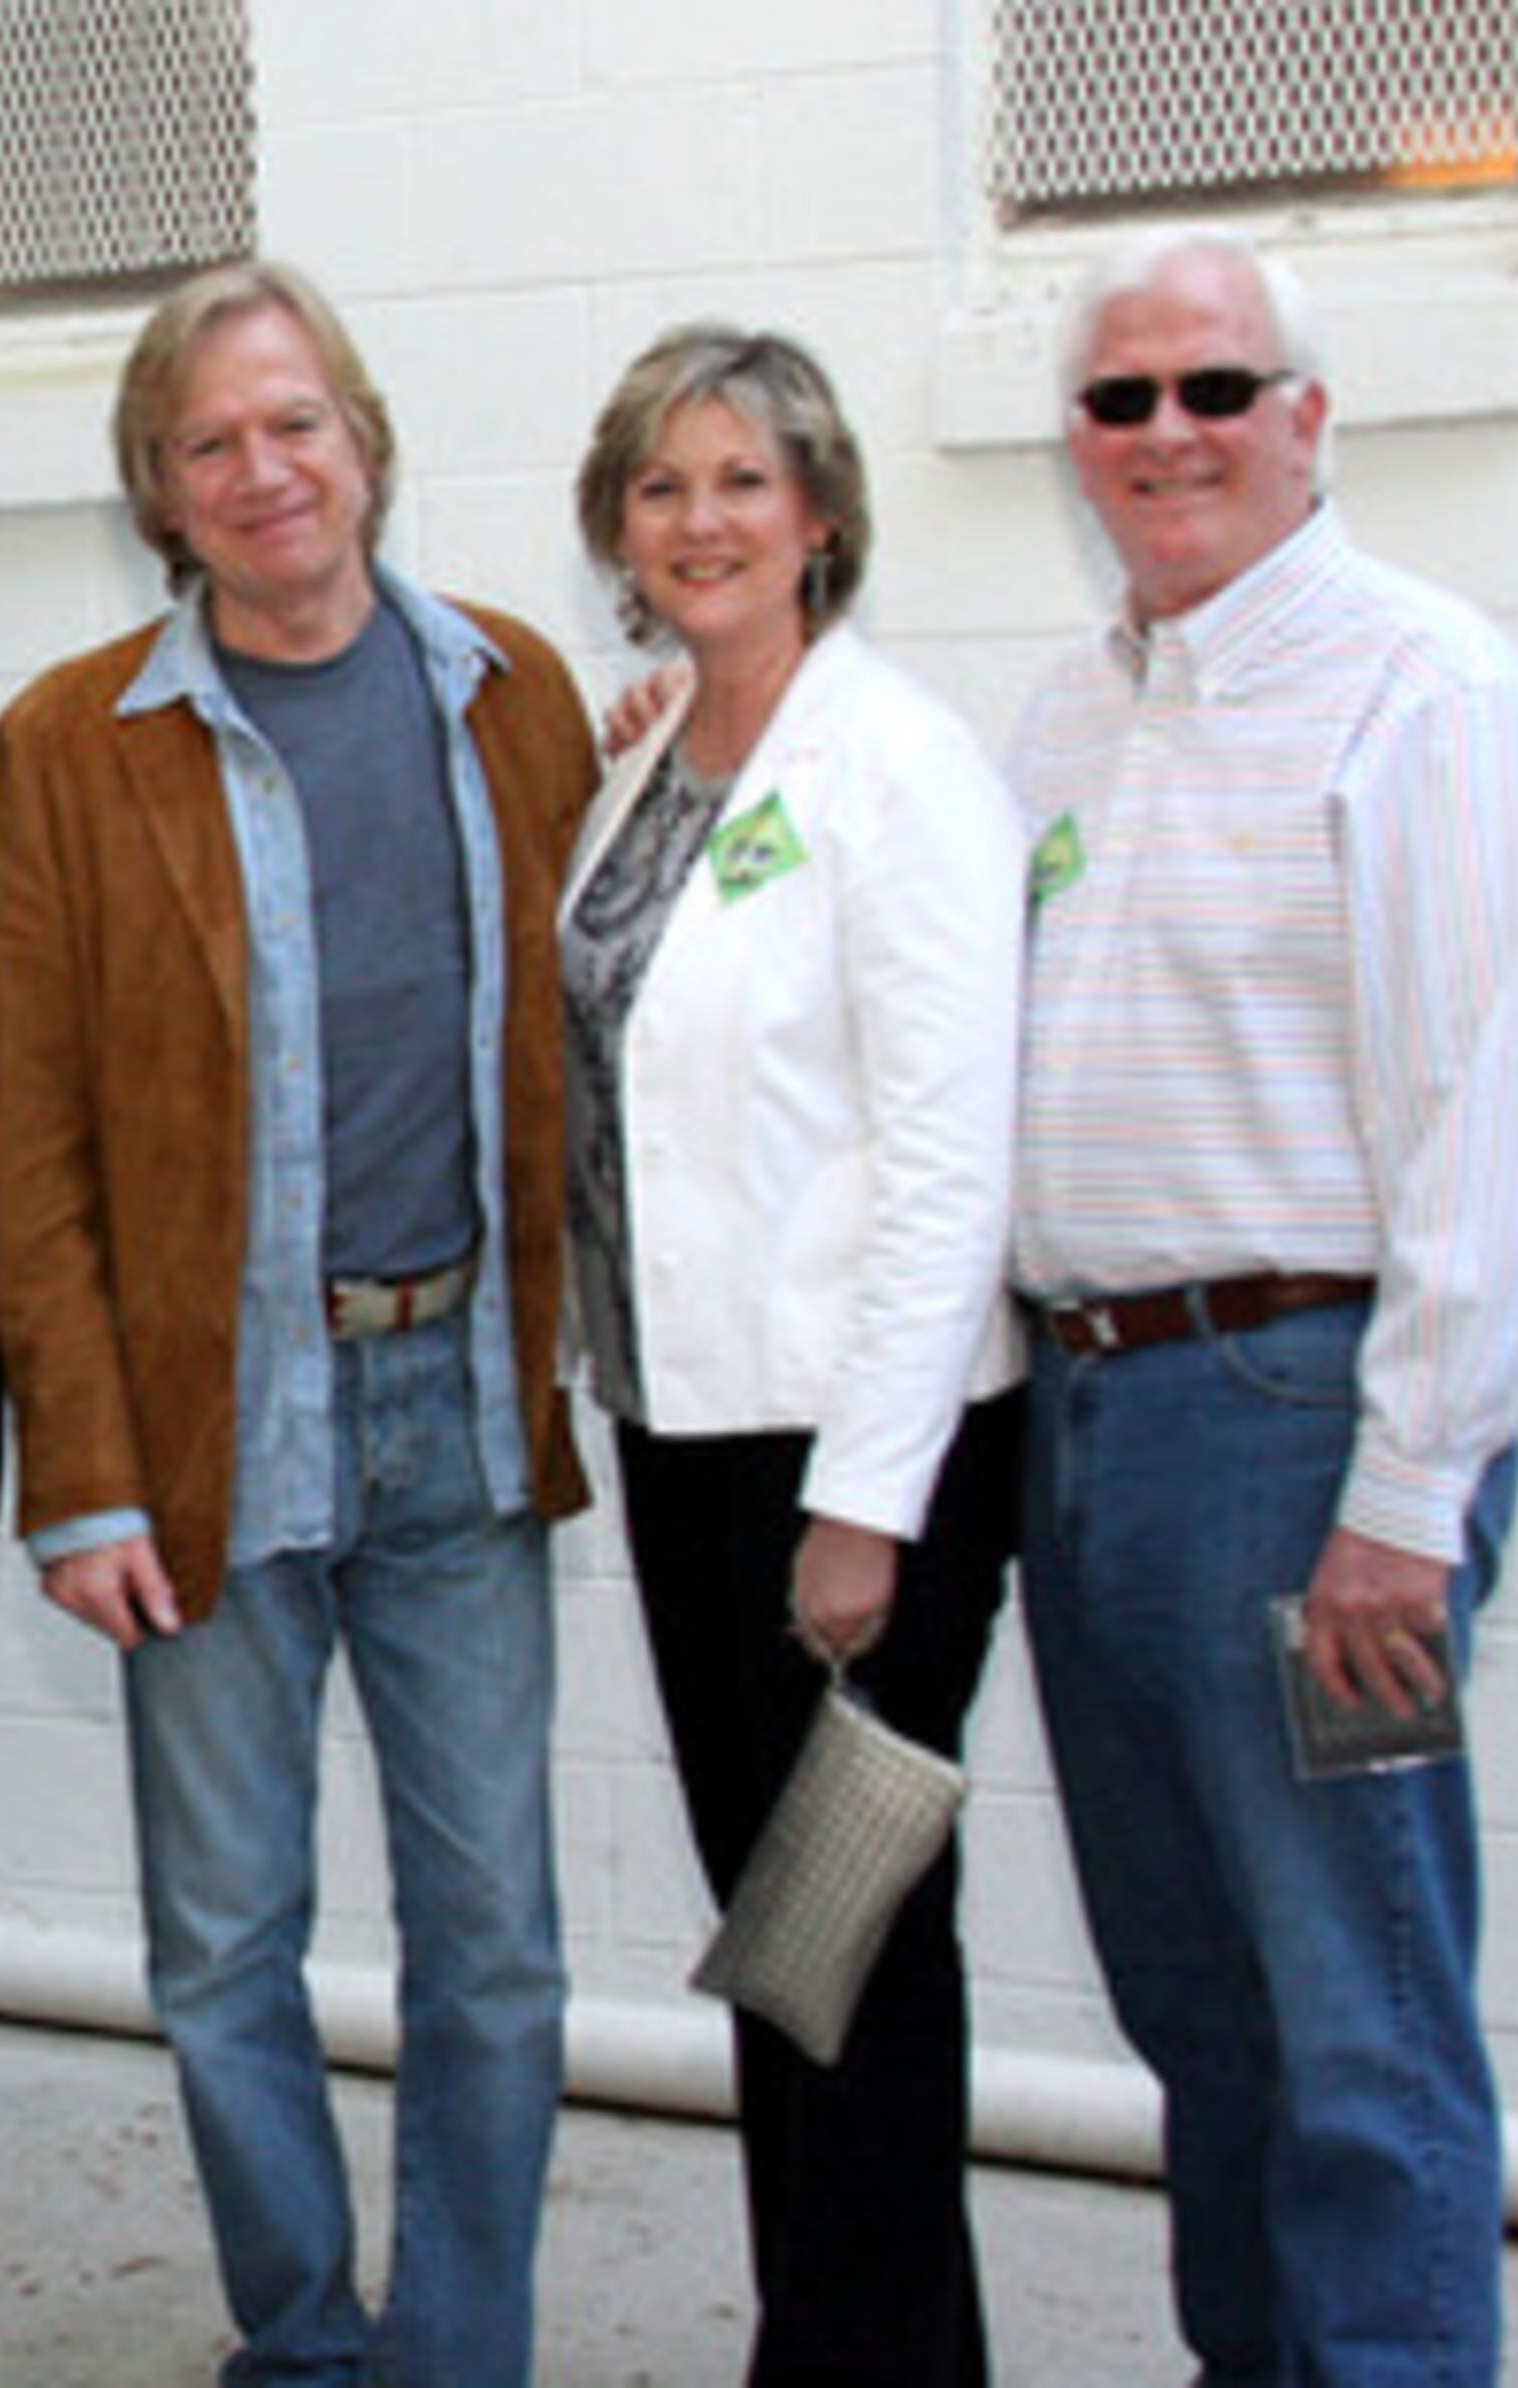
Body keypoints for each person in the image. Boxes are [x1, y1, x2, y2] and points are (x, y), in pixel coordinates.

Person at [0, 257, 594, 2387]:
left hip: (461, 1408)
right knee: (224, 1941)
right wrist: (76, 1476)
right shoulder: (72, 745)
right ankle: (302, 2344)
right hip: (207, 1422)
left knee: (498, 1953)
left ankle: (457, 2351)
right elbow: (36, 1139)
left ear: (366, 439)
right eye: (210, 443)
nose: (264, 473)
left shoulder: (513, 695)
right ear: (160, 492)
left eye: (295, 423)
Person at [1009, 225, 1518, 2385]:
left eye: (1216, 389)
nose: (1169, 434)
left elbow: (1503, 1121)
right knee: (1202, 2018)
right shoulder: (1073, 713)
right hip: (1098, 1440)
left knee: (1359, 2017)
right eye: (1121, 398)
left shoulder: (1425, 694)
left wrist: (1407, 1496)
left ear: (1309, 420)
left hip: (1311, 1439)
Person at [564, 325, 1026, 2384]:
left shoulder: (900, 765)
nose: (703, 520)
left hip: (858, 1461)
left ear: (821, 512)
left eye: (744, 480)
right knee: (787, 1958)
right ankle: (855, 2346)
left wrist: (865, 1509)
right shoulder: (659, 760)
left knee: (853, 1956)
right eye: (664, 486)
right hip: (687, 1437)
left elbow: (952, 1164)